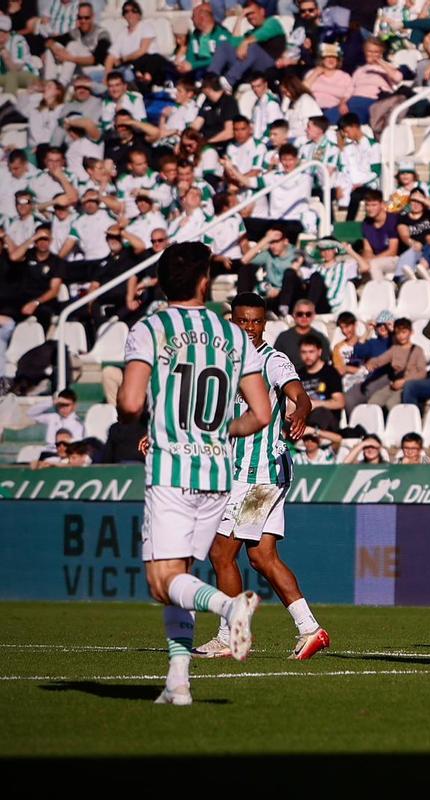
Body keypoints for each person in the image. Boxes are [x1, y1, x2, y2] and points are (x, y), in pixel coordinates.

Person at [116, 242, 271, 705]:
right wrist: (225, 430)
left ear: (161, 282)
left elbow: (129, 404)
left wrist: (136, 415)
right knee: (182, 578)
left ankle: (229, 606)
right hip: (218, 471)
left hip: (171, 469)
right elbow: (260, 414)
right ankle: (177, 683)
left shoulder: (152, 328)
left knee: (162, 581)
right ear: (205, 282)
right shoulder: (235, 336)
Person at [194, 293, 330, 662]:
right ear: (231, 322)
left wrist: (300, 412)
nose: (250, 328)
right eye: (243, 321)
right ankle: (310, 629)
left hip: (259, 474)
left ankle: (230, 636)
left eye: (256, 321)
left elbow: (299, 395)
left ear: (264, 324)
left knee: (221, 552)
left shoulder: (272, 360)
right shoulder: (223, 362)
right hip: (250, 472)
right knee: (263, 557)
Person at [297, 333, 345, 430]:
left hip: (327, 419)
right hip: (304, 416)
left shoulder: (330, 372)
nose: (307, 356)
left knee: (320, 413)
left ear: (319, 352)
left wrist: (315, 404)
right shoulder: (298, 374)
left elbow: (340, 402)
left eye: (311, 352)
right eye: (304, 352)